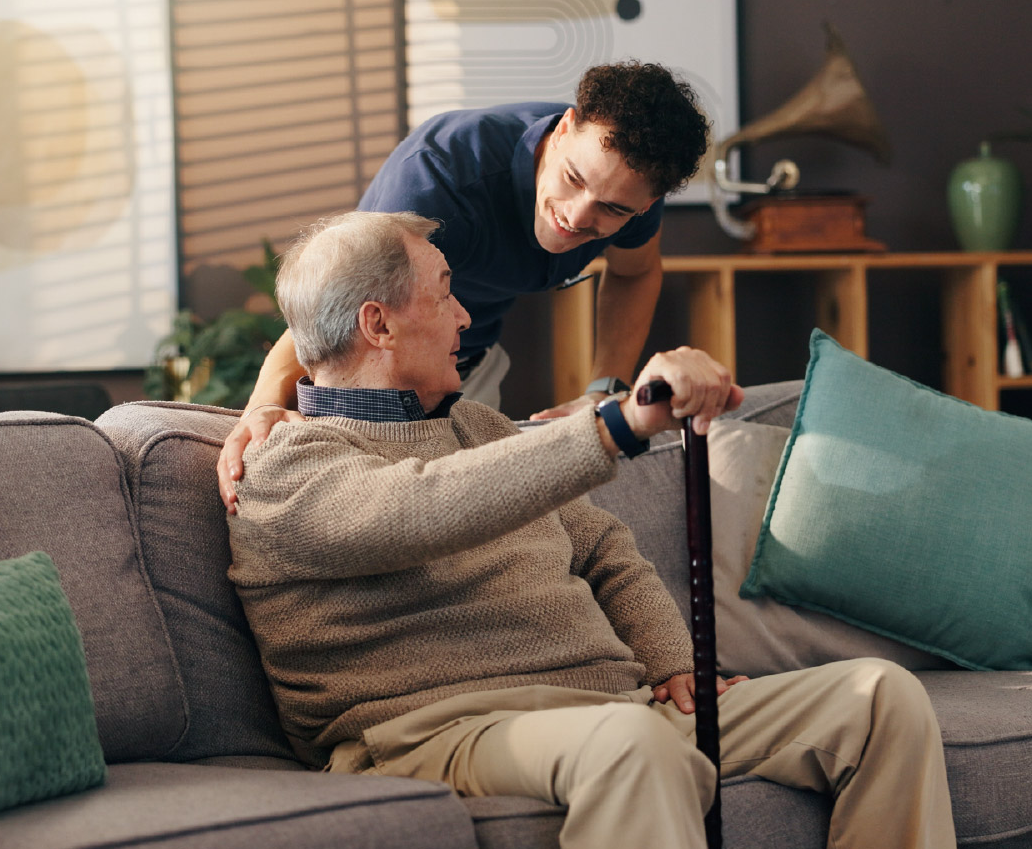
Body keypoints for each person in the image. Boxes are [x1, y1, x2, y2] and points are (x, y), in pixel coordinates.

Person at [225, 210, 961, 849]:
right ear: (378, 323)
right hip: (432, 731)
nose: (465, 316)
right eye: (445, 293)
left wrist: (673, 661)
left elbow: (605, 549)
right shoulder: (285, 465)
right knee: (630, 743)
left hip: (610, 706)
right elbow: (419, 509)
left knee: (878, 699)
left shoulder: (480, 429)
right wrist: (618, 424)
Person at [216, 61, 710, 514]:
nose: (577, 217)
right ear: (563, 131)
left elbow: (633, 273)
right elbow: (337, 310)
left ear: (645, 206)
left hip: (467, 366)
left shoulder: (634, 184)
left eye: (612, 209)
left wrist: (601, 391)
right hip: (370, 376)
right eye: (573, 179)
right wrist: (261, 409)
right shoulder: (438, 177)